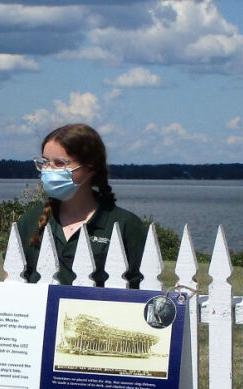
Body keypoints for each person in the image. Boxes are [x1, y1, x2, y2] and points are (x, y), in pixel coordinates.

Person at [14, 123, 148, 287]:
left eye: (60, 163)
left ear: (90, 168)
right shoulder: (29, 221)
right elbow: (13, 280)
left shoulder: (126, 224)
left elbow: (141, 288)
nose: (49, 170)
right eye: (45, 162)